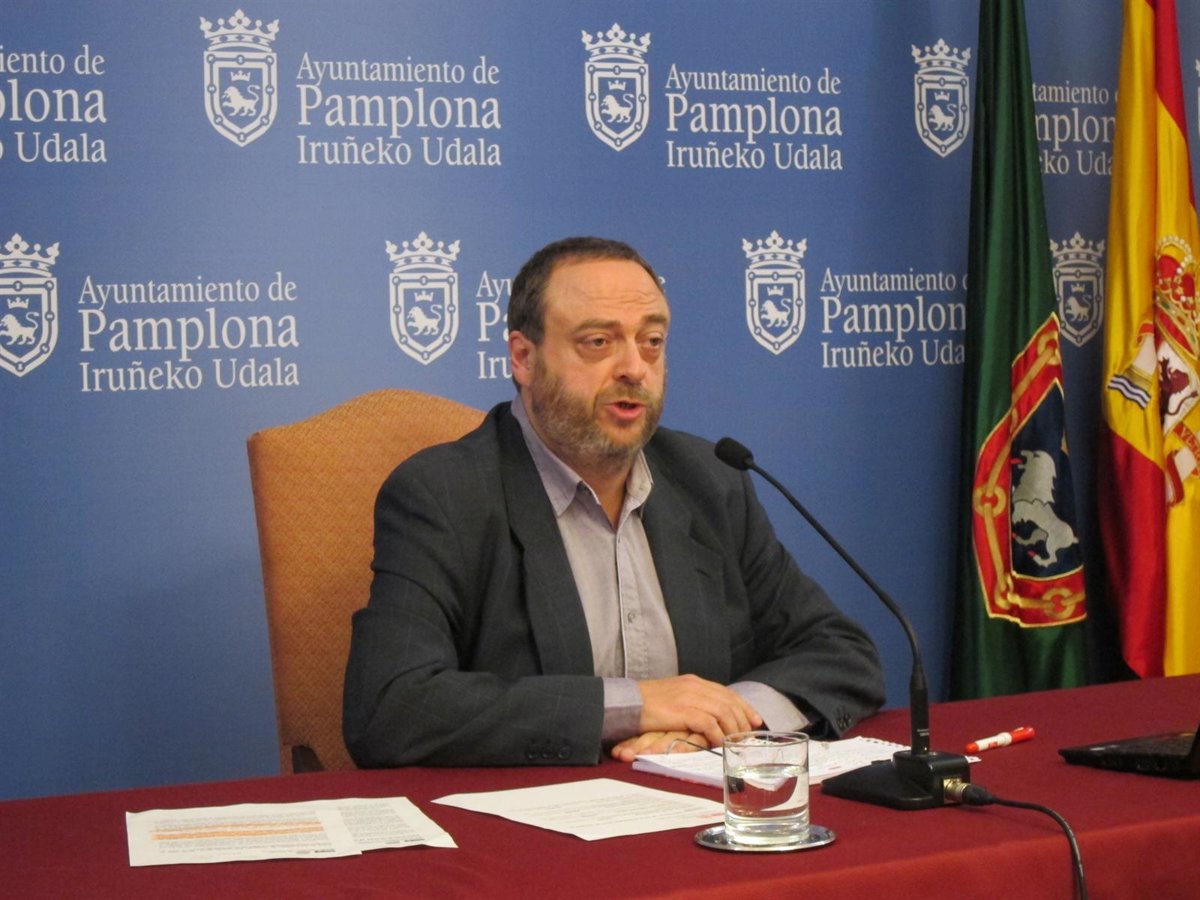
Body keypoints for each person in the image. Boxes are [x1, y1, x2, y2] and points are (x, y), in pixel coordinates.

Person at [343, 236, 884, 767]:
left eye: (652, 341)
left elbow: (840, 652)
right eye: (599, 342)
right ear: (524, 358)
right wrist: (634, 706)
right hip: (537, 815)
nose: (634, 368)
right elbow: (391, 707)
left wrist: (723, 718)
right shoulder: (444, 494)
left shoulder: (711, 481)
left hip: (695, 802)